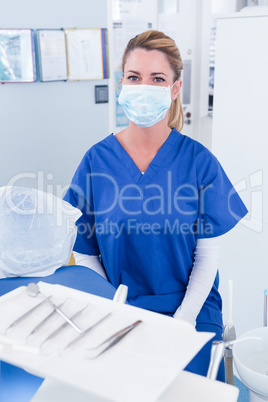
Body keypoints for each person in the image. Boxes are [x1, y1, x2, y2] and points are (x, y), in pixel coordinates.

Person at [64, 30, 248, 380]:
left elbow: (208, 256)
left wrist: (183, 321)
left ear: (175, 89)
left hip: (190, 310)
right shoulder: (96, 161)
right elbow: (85, 250)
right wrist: (112, 307)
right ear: (121, 85)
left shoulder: (199, 163)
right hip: (121, 309)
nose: (143, 86)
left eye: (157, 78)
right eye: (134, 77)